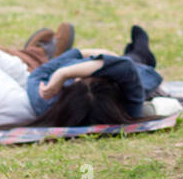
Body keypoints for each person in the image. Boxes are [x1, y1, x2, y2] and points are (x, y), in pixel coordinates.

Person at [28, 24, 166, 127]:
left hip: (92, 66)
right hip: (136, 72)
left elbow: (36, 75)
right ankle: (142, 53)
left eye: (77, 77)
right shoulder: (129, 106)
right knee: (136, 60)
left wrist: (72, 63)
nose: (80, 73)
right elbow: (125, 66)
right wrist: (64, 73)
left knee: (129, 60)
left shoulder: (48, 101)